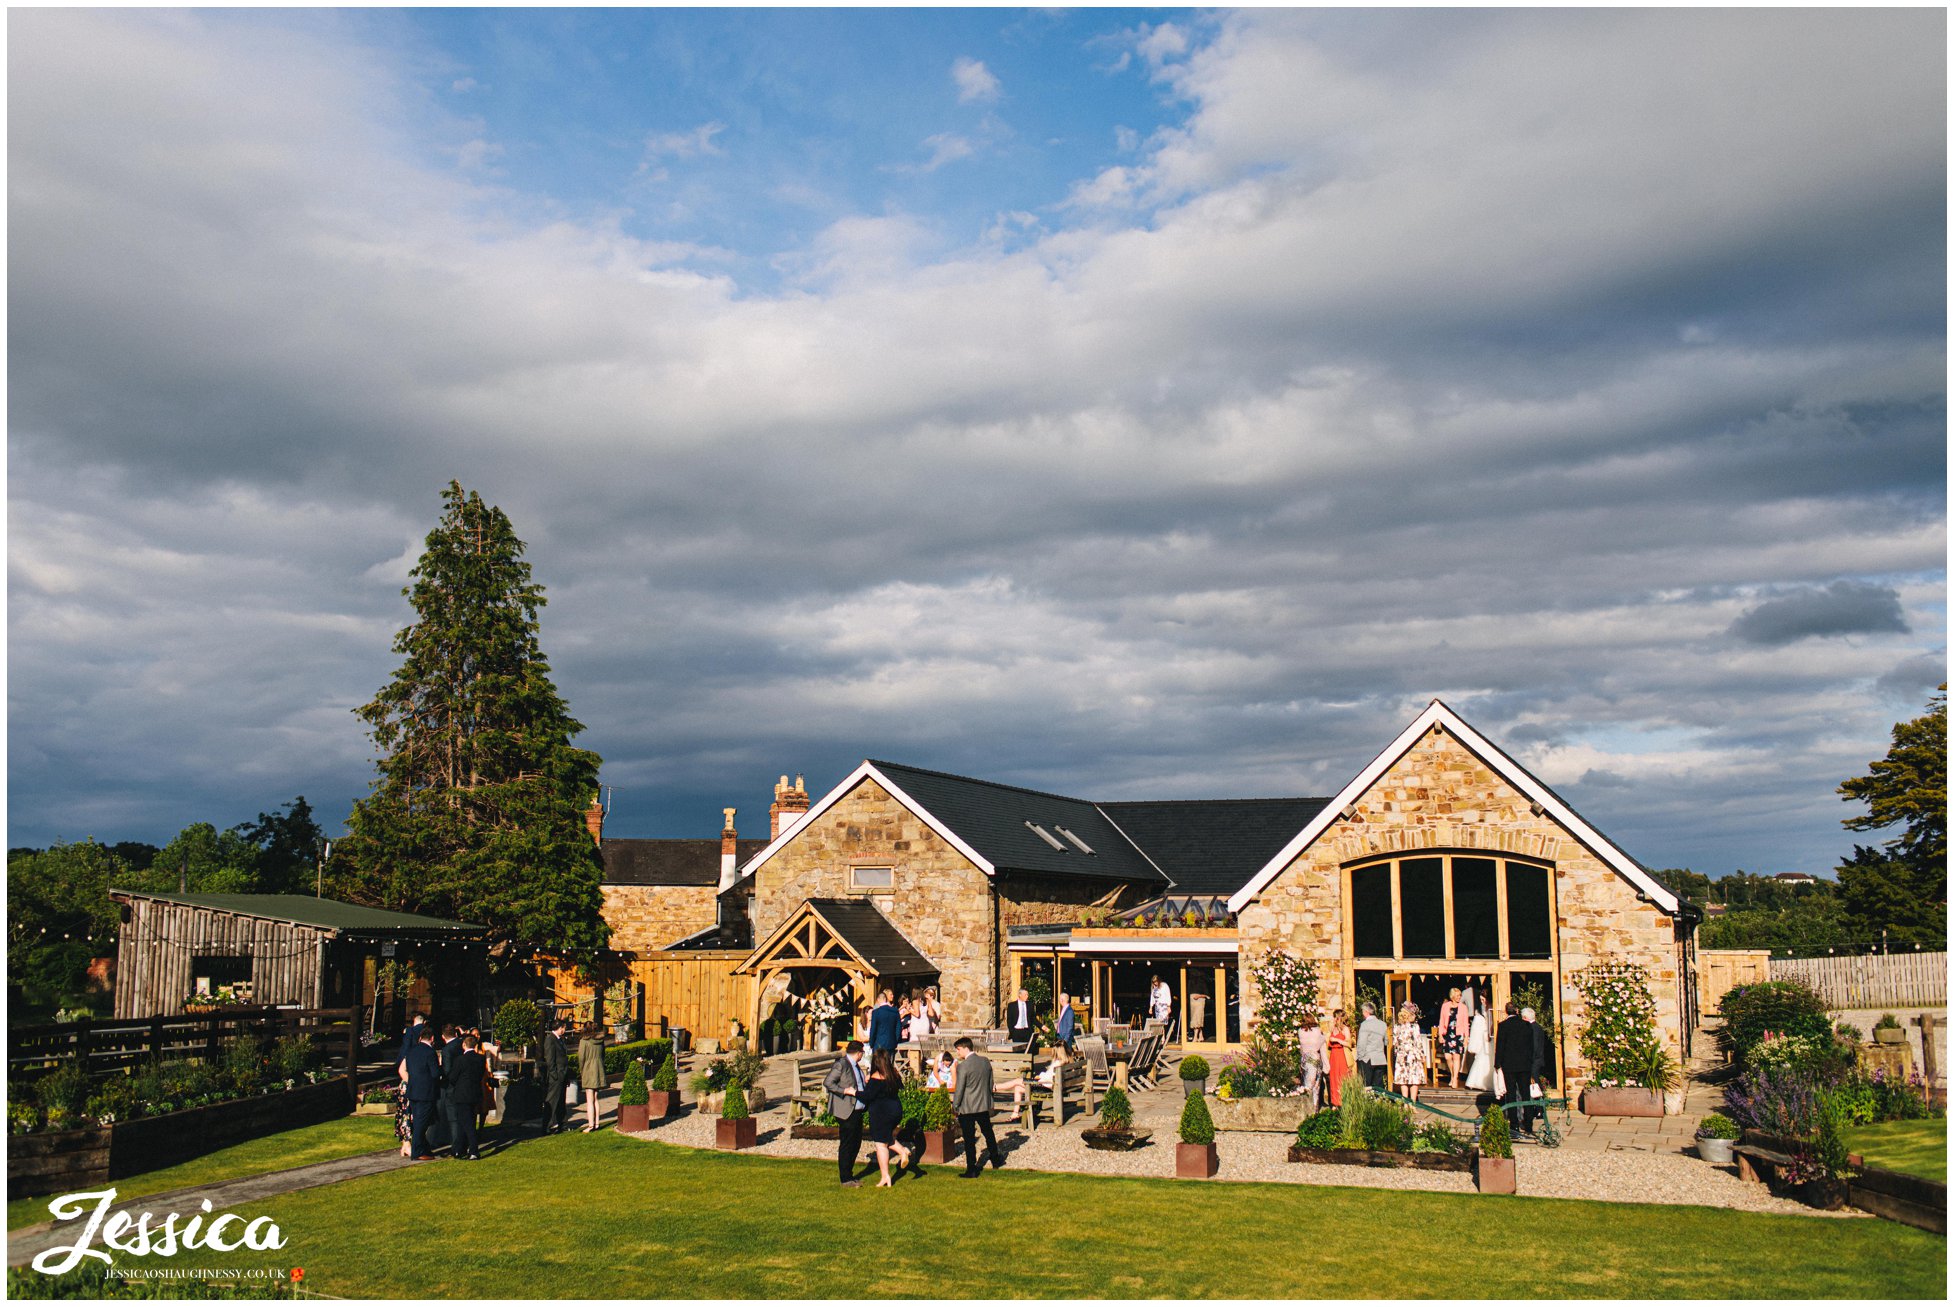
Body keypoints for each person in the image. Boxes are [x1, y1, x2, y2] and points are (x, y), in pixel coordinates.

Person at [951, 1037, 1006, 1177]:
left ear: (965, 1048)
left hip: (967, 1107)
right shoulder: (985, 1061)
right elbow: (990, 1083)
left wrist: (955, 1105)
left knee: (969, 1139)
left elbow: (960, 1088)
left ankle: (972, 1168)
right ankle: (995, 1159)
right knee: (988, 1132)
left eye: (958, 1049)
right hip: (983, 1104)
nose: (957, 1053)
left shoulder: (963, 1066)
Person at [861, 1048, 913, 1186]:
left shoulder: (876, 1077)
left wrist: (852, 1091)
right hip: (895, 1110)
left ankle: (886, 1176)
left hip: (880, 1113)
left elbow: (867, 1096)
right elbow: (898, 1087)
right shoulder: (894, 1074)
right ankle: (903, 1151)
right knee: (886, 1138)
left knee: (880, 1145)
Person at [823, 1039, 869, 1187]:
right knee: (848, 1143)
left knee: (856, 1142)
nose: (863, 1055)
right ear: (858, 1053)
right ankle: (845, 1178)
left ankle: (849, 1174)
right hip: (846, 1110)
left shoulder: (856, 1066)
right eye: (862, 1052)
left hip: (857, 1109)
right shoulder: (841, 1064)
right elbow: (828, 1082)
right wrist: (844, 1091)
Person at [402, 1024, 444, 1161]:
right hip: (426, 1092)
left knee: (419, 1120)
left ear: (420, 1038)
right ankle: (417, 1151)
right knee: (422, 1123)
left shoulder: (411, 1051)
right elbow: (435, 1074)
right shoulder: (430, 1053)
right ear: (432, 1038)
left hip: (413, 1090)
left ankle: (423, 1148)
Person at [1494, 1001, 1535, 1137]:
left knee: (1511, 1095)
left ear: (1506, 1012)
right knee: (1525, 1094)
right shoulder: (1527, 1025)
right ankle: (1528, 1124)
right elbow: (1531, 1046)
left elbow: (1500, 1046)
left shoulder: (1503, 1026)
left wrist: (1497, 1063)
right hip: (1524, 1065)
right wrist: (1531, 1063)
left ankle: (1514, 1125)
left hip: (1510, 1065)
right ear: (1517, 1011)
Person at [445, 1033, 486, 1159]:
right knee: (466, 1121)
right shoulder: (480, 1059)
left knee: (467, 1124)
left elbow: (452, 1077)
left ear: (464, 1045)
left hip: (462, 1094)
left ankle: (474, 1150)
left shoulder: (460, 1060)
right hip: (475, 1093)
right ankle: (458, 1149)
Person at [1522, 1006, 1554, 1135]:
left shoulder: (1533, 1029)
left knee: (1534, 1085)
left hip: (1534, 1062)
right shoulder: (1537, 1027)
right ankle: (1538, 1108)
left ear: (1525, 1018)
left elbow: (1535, 1047)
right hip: (1538, 1061)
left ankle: (1539, 1108)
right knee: (1535, 1085)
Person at [541, 1013, 572, 1134]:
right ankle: (546, 1125)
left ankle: (562, 1124)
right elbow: (550, 1059)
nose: (564, 1030)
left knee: (561, 1101)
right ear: (559, 1028)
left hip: (562, 1074)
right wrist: (555, 1075)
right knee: (552, 1101)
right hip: (557, 1076)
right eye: (563, 1028)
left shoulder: (559, 1040)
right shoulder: (550, 1040)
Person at [1392, 1003, 1428, 1102]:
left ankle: (1405, 1103)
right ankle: (1412, 1103)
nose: (1415, 1016)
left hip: (1401, 1055)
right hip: (1413, 1055)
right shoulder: (1414, 1027)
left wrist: (1397, 1054)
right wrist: (1422, 1055)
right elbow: (1418, 1042)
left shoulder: (1396, 1027)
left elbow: (1395, 1043)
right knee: (1414, 1080)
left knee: (1403, 1080)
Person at [1437, 988, 1469, 1088]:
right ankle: (1452, 1074)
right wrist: (1440, 1035)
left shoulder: (1463, 1007)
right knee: (1447, 1056)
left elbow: (1465, 1023)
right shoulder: (1445, 1006)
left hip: (1458, 1034)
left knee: (1456, 1056)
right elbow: (1441, 1021)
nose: (1459, 997)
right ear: (1452, 996)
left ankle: (1455, 1078)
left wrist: (1466, 1037)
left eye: (1460, 995)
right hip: (1448, 1033)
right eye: (1457, 995)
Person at [577, 1022, 606, 1133]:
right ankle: (597, 1123)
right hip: (599, 1069)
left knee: (589, 1100)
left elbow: (581, 1058)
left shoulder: (583, 1041)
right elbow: (603, 1055)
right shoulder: (601, 1041)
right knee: (595, 1099)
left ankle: (590, 1125)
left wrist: (581, 1071)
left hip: (588, 1070)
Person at [1354, 1002, 1389, 1090]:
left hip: (1368, 1058)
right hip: (1380, 1058)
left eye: (1363, 1011)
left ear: (1366, 1012)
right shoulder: (1383, 1024)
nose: (1362, 1013)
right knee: (1378, 1086)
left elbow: (1361, 1043)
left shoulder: (1365, 1024)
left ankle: (1368, 1102)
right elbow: (1386, 1041)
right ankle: (1378, 1102)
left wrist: (1360, 1057)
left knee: (1367, 1085)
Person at [1464, 992, 1494, 1093]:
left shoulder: (1490, 1008)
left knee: (1487, 1058)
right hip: (1484, 1034)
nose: (1482, 1002)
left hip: (1488, 1035)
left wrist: (1490, 1034)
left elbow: (1491, 1022)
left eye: (1483, 999)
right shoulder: (1484, 1008)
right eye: (1481, 1000)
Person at [1324, 1008, 1353, 1107]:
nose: (1334, 1020)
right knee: (1334, 1079)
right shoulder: (1333, 1029)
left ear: (1339, 1018)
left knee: (1342, 1078)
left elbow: (1349, 1043)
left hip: (1342, 1055)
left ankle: (1344, 1102)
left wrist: (1337, 1040)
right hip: (1333, 1056)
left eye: (1335, 1017)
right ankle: (1335, 1103)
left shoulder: (1345, 1029)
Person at [1297, 1012, 1326, 1106]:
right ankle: (1315, 1109)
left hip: (1306, 1058)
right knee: (1316, 1087)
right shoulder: (1317, 1030)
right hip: (1316, 1058)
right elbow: (1322, 1042)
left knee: (1307, 1085)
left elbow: (1302, 1047)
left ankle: (1308, 1109)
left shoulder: (1300, 1031)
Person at [867, 989, 901, 1060]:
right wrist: (895, 1040)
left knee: (879, 1066)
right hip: (891, 1043)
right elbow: (898, 1028)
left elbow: (873, 1029)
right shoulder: (895, 1011)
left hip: (879, 1044)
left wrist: (871, 1043)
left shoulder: (876, 1012)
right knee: (889, 1066)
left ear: (878, 999)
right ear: (885, 999)